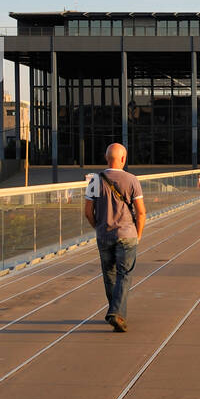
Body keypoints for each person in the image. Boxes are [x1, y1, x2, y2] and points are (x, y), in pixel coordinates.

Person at [83, 143, 146, 333]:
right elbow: (141, 212)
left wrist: (99, 227)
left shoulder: (94, 180)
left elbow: (87, 212)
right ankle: (116, 313)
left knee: (109, 274)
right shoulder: (132, 180)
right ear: (123, 159)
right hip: (127, 234)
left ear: (106, 157)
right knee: (124, 274)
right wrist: (138, 234)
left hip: (104, 234)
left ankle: (114, 311)